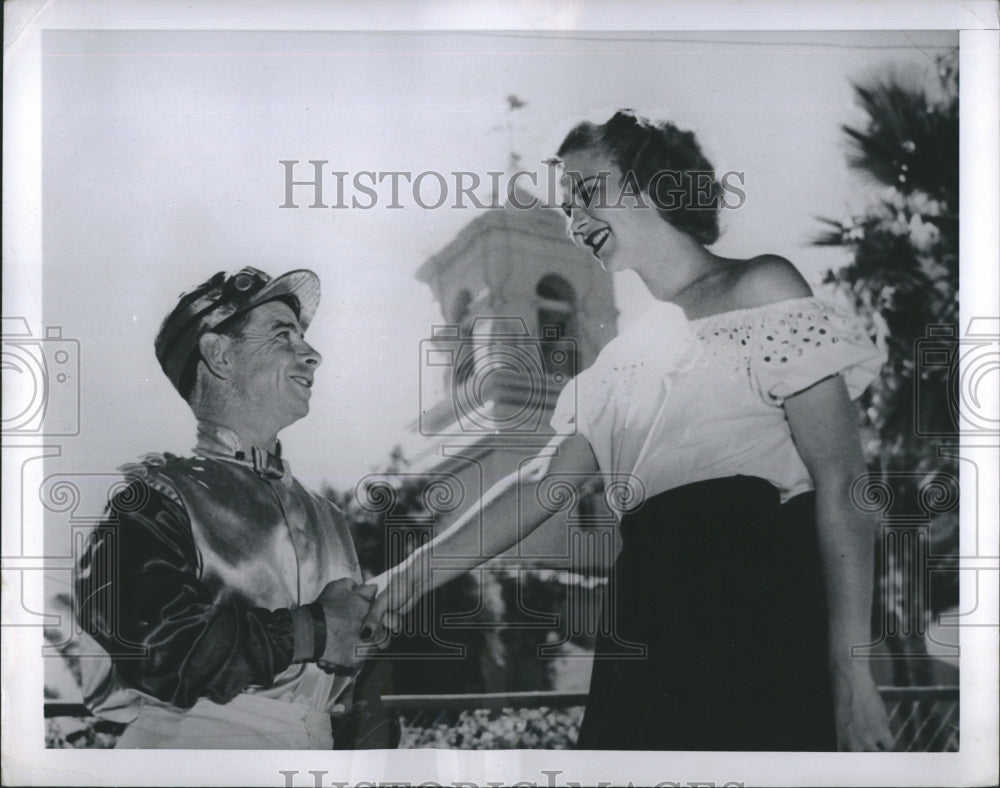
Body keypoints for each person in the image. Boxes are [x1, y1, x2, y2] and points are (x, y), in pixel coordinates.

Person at [365, 110, 895, 751]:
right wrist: (410, 575)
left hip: (757, 618)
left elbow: (844, 483)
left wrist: (850, 669)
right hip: (642, 629)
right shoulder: (620, 361)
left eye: (587, 191)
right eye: (566, 205)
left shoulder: (761, 287)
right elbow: (542, 485)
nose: (573, 218)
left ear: (653, 182)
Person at [76, 266, 394, 749]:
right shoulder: (153, 496)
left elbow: (351, 693)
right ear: (219, 354)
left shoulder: (328, 516)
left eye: (303, 336)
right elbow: (149, 647)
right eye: (282, 335)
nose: (312, 354)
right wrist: (313, 630)